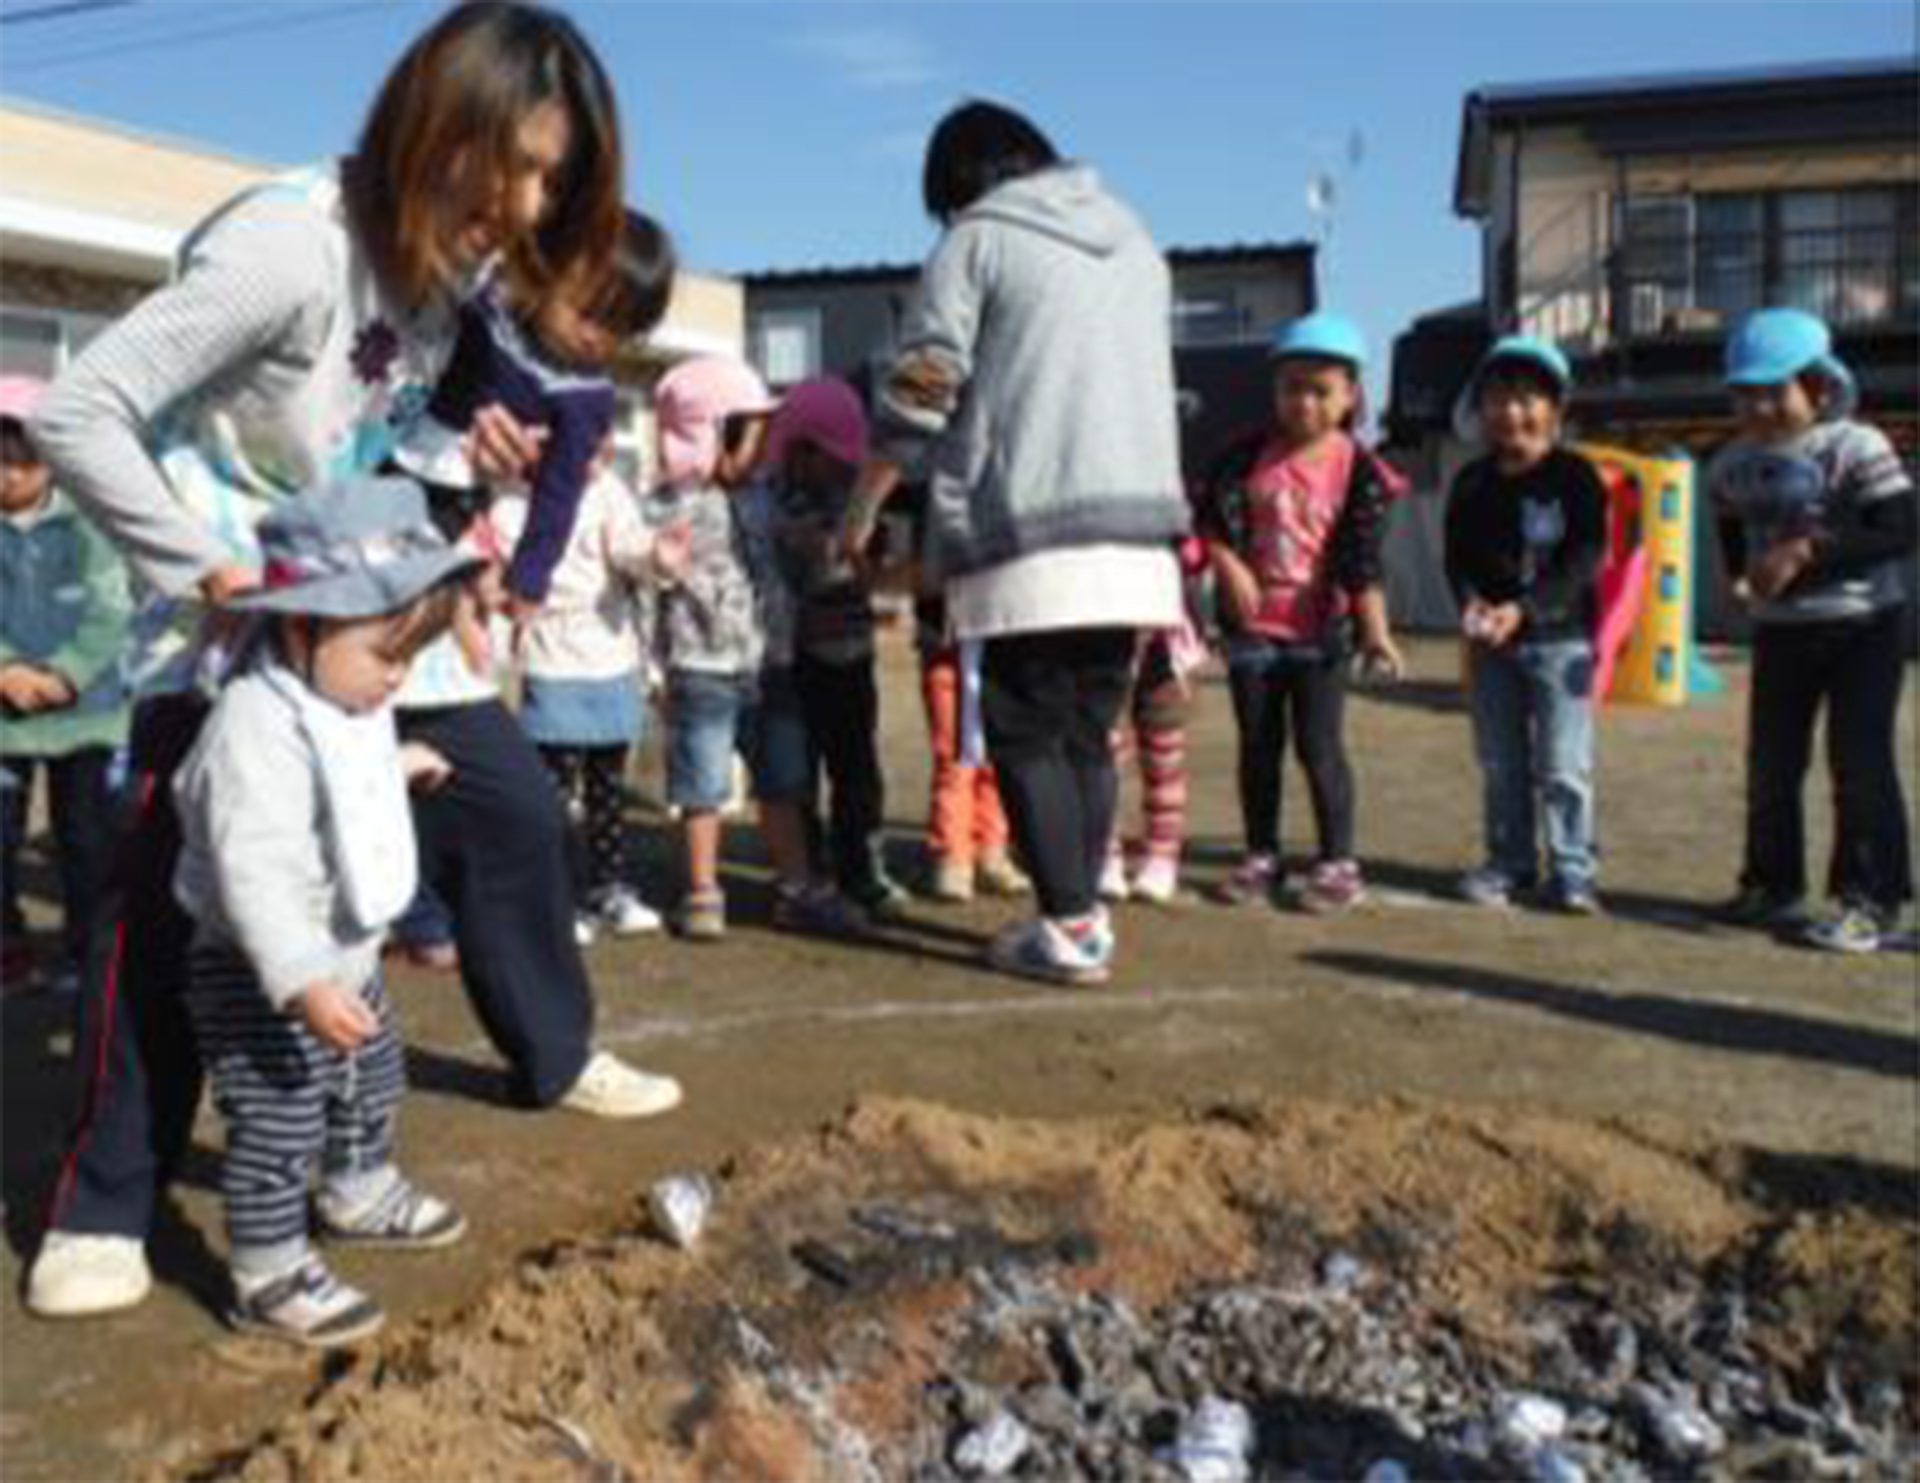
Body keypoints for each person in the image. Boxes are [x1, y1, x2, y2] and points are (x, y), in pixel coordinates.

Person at [25, 0, 678, 1323]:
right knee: (156, 915)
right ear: (447, 121)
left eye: (561, 179)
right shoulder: (292, 245)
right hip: (196, 639)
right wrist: (205, 570)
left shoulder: (442, 284)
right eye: (529, 164)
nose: (536, 201)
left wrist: (455, 463)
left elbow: (355, 449)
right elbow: (86, 409)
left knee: (436, 841)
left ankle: (363, 1152)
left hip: (327, 636)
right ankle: (102, 1199)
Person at [839, 100, 1190, 986]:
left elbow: (923, 384)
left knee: (1027, 729)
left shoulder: (978, 242)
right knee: (1084, 731)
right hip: (1139, 535)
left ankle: (1067, 923)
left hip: (1031, 528)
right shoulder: (1136, 241)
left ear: (961, 186)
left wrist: (863, 505)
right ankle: (1086, 914)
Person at [173, 479, 474, 1348]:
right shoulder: (253, 726)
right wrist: (301, 981)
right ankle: (265, 1275)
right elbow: (256, 868)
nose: (397, 676)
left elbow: (340, 789)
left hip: (346, 955)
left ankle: (357, 1187)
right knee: (279, 1116)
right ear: (302, 625)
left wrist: (397, 762)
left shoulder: (346, 696)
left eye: (408, 658)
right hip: (262, 969)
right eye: (387, 653)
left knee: (374, 1077)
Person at [483, 214, 682, 942]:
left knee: (605, 786)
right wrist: (517, 591)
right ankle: (555, 895)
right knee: (548, 792)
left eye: (621, 330)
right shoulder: (509, 491)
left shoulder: (605, 478)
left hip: (606, 651)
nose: (601, 338)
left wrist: (657, 555)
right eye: (595, 314)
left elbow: (624, 542)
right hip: (549, 652)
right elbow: (508, 551)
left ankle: (609, 885)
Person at [1707, 307, 1916, 953]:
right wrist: (1743, 575)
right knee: (1770, 763)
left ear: (1820, 388)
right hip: (1781, 632)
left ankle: (1871, 900)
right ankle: (1772, 884)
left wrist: (1804, 550)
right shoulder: (1730, 462)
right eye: (1745, 392)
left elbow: (1899, 529)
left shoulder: (1857, 444)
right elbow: (1729, 525)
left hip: (1864, 627)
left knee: (1858, 760)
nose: (1759, 406)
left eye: (1775, 390)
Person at [1194, 312, 1404, 914]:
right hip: (1254, 634)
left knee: (1319, 746)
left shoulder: (1360, 472)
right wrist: (1226, 563)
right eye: (1292, 387)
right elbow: (1205, 518)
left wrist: (1376, 634)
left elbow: (1363, 561)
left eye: (1321, 389)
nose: (1304, 402)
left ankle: (1338, 861)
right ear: (1274, 390)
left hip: (1321, 636)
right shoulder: (1242, 457)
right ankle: (1262, 855)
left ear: (1350, 396)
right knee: (1258, 746)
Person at [1443, 336, 1607, 915]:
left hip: (1562, 644)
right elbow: (1457, 560)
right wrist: (1470, 606)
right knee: (1501, 762)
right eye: (1497, 399)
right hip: (1491, 647)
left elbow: (1584, 560)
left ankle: (1572, 869)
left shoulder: (1576, 477)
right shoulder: (1470, 484)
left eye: (1528, 399)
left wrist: (1527, 609)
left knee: (1564, 764)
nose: (1512, 412)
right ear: (1480, 409)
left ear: (1555, 409)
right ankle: (1510, 864)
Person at [644, 355, 805, 941]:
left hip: (770, 662)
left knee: (783, 780)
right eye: (751, 439)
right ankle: (703, 889)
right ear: (706, 435)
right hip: (700, 666)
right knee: (701, 785)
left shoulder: (765, 497)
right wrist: (653, 671)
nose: (763, 453)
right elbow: (648, 596)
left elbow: (785, 553)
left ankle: (795, 885)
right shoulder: (667, 506)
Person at [0, 375, 132, 993]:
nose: (9, 478)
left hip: (88, 710)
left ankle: (87, 952)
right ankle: (8, 948)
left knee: (85, 838)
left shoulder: (88, 524)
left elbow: (111, 609)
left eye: (23, 464)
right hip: (7, 709)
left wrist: (65, 672)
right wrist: (8, 669)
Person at [766, 377, 909, 919]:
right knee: (798, 771)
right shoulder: (775, 501)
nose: (840, 466)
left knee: (857, 768)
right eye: (829, 456)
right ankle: (811, 870)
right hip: (795, 661)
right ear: (799, 449)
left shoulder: (860, 495)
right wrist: (801, 549)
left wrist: (869, 558)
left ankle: (863, 869)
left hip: (852, 657)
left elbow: (884, 572)